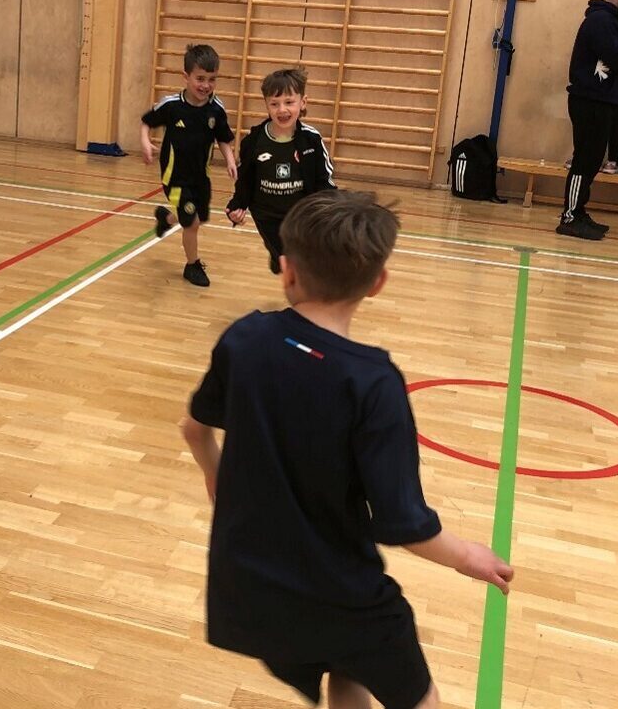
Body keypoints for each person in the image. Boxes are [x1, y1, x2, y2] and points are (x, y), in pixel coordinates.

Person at [181, 190, 513, 709]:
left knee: (344, 664)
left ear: (286, 270)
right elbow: (404, 525)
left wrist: (214, 475)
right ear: (377, 283)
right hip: (336, 592)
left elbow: (194, 429)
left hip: (248, 586)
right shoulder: (373, 382)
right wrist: (467, 556)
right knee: (418, 697)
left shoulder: (243, 339)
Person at [141, 43, 237, 287]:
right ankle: (192, 265)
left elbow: (224, 138)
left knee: (197, 218)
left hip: (200, 177)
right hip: (174, 177)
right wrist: (145, 142)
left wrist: (229, 160)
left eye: (212, 79)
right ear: (186, 77)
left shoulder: (216, 109)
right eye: (200, 78)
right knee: (192, 223)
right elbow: (146, 122)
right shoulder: (172, 106)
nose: (206, 85)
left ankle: (167, 219)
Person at [225, 67, 335, 274]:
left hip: (300, 216)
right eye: (274, 104)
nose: (282, 110)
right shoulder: (253, 141)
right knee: (286, 263)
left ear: (303, 102)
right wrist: (237, 206)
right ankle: (279, 259)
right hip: (266, 216)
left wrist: (330, 207)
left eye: (289, 102)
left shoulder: (311, 139)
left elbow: (324, 178)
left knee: (301, 263)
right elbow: (245, 179)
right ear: (266, 105)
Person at [557, 0, 618, 240]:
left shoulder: (617, 24)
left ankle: (579, 210)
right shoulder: (601, 20)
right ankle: (570, 216)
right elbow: (617, 58)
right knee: (585, 160)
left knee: (592, 160)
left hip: (604, 101)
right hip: (590, 101)